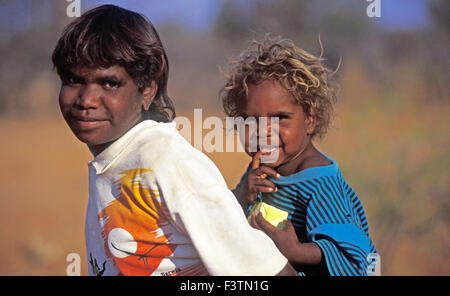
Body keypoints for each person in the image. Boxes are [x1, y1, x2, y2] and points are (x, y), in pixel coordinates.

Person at [52, 5, 296, 276]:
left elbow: (267, 272)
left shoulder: (166, 163)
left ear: (147, 90)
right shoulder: (116, 160)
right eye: (73, 80)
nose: (86, 100)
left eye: (109, 84)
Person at [220, 36, 379, 276]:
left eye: (280, 118)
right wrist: (243, 194)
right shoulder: (260, 171)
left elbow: (355, 254)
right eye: (250, 120)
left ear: (310, 120)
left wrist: (296, 250)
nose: (263, 131)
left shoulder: (319, 183)